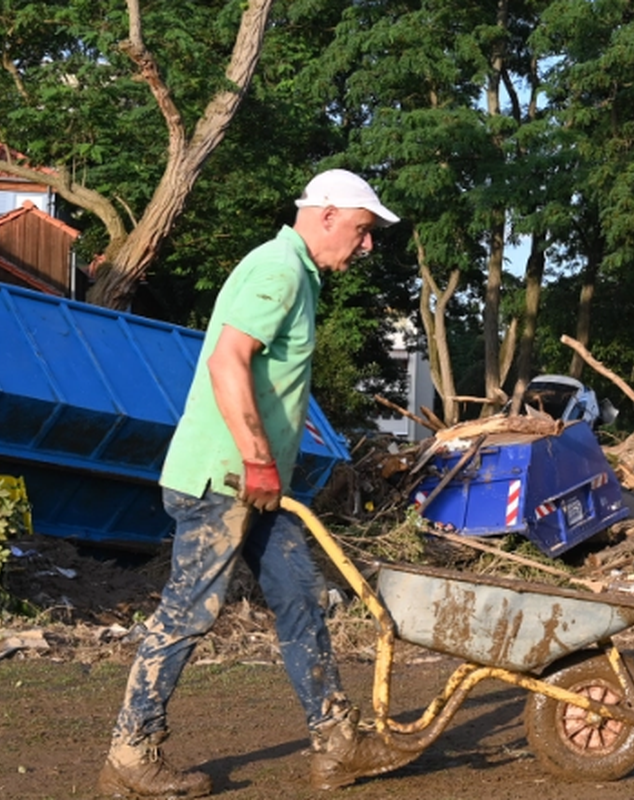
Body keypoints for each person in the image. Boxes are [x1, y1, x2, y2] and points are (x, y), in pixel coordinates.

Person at [97, 169, 401, 798]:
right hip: (225, 480)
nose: (366, 245)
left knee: (301, 598)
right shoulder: (279, 270)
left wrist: (281, 445)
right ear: (325, 215)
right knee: (188, 611)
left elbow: (260, 374)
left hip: (257, 483)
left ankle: (337, 742)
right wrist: (261, 458)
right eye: (362, 230)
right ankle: (131, 752)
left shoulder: (297, 274)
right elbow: (227, 360)